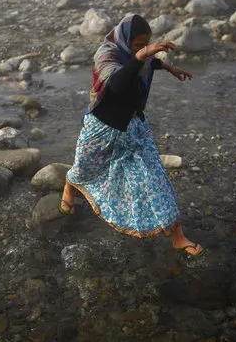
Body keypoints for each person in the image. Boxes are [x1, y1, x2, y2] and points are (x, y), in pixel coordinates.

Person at [59, 14, 205, 257]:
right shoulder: (106, 54)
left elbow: (149, 64)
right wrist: (142, 55)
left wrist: (168, 67)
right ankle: (69, 188)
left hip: (134, 129)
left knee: (156, 179)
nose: (144, 51)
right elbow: (115, 83)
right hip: (102, 128)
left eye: (146, 45)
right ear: (125, 40)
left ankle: (178, 237)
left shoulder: (140, 57)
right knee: (84, 169)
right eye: (138, 46)